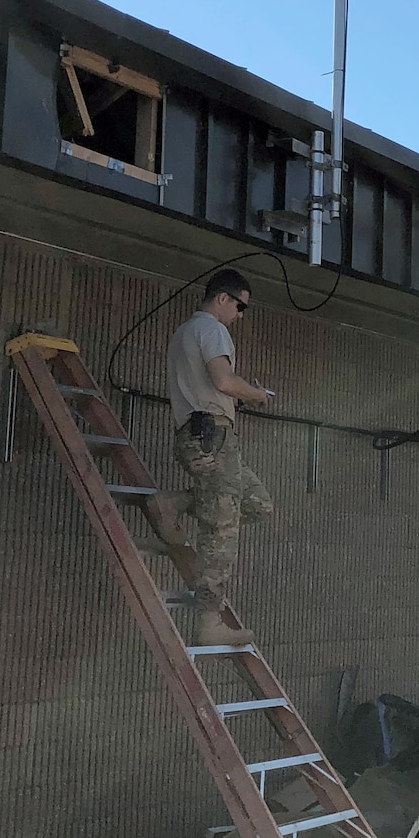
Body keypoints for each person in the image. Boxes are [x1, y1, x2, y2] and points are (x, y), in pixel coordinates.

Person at [157, 268, 275, 647]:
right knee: (221, 529)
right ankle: (210, 619)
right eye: (239, 306)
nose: (240, 315)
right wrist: (256, 395)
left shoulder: (185, 331)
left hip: (203, 435)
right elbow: (223, 381)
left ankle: (173, 502)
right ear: (222, 298)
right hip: (211, 436)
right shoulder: (211, 328)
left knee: (258, 504)